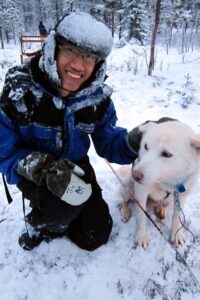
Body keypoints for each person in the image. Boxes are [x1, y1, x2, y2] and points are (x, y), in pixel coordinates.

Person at [0, 11, 145, 251]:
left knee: (95, 235)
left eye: (88, 56)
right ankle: (43, 224)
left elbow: (109, 144)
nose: (78, 65)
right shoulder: (21, 91)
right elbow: (3, 150)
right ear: (53, 48)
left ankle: (67, 215)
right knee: (61, 206)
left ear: (98, 62)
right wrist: (38, 166)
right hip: (32, 169)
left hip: (76, 163)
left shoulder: (96, 99)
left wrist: (139, 141)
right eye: (70, 51)